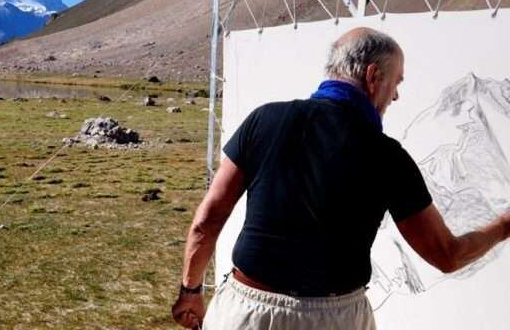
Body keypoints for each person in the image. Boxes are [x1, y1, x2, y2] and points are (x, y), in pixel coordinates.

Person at [172, 27, 510, 329]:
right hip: (335, 319)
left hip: (246, 313)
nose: (395, 95)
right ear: (373, 75)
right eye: (397, 81)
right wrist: (504, 225)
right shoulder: (387, 155)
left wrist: (191, 291)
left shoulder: (264, 120)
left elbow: (208, 220)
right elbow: (446, 254)